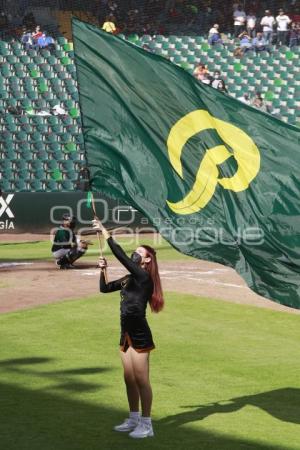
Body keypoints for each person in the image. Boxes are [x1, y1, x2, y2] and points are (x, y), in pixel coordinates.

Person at [94, 219, 164, 439]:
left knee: (142, 379)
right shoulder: (128, 279)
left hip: (140, 333)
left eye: (138, 252)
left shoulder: (144, 278)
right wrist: (102, 270)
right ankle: (133, 418)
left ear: (147, 259)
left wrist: (105, 232)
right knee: (129, 378)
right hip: (125, 333)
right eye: (134, 251)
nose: (134, 254)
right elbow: (105, 288)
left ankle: (147, 423)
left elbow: (121, 256)